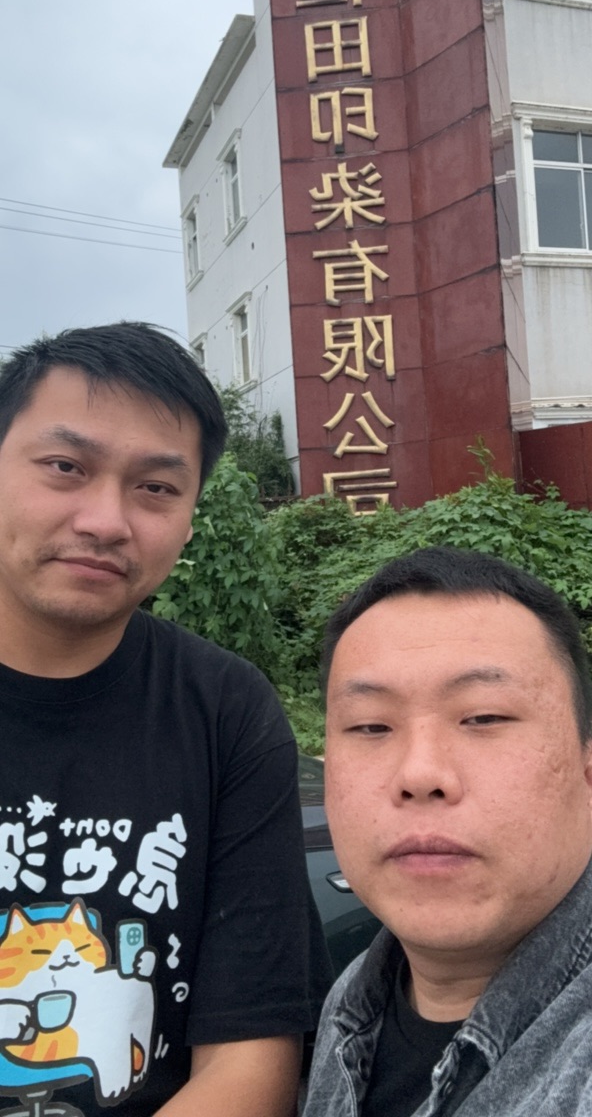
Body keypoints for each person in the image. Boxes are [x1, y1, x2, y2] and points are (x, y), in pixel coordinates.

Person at [0, 321, 331, 1117]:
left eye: (155, 488)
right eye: (65, 467)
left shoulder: (226, 712)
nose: (105, 520)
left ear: (188, 520)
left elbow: (252, 1062)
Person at [303, 546, 592, 1117]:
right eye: (370, 726)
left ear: (586, 770)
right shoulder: (355, 997)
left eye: (484, 717)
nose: (420, 774)